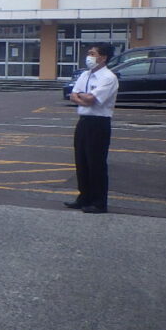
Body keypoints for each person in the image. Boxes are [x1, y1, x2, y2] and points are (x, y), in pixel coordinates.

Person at [66, 42, 119, 214]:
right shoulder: (85, 74)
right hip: (83, 121)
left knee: (96, 163)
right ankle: (84, 197)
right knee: (81, 161)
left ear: (103, 58)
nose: (89, 57)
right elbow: (73, 95)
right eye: (89, 53)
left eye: (92, 53)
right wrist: (83, 98)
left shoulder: (108, 78)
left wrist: (81, 97)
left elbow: (90, 99)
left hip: (98, 124)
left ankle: (99, 202)